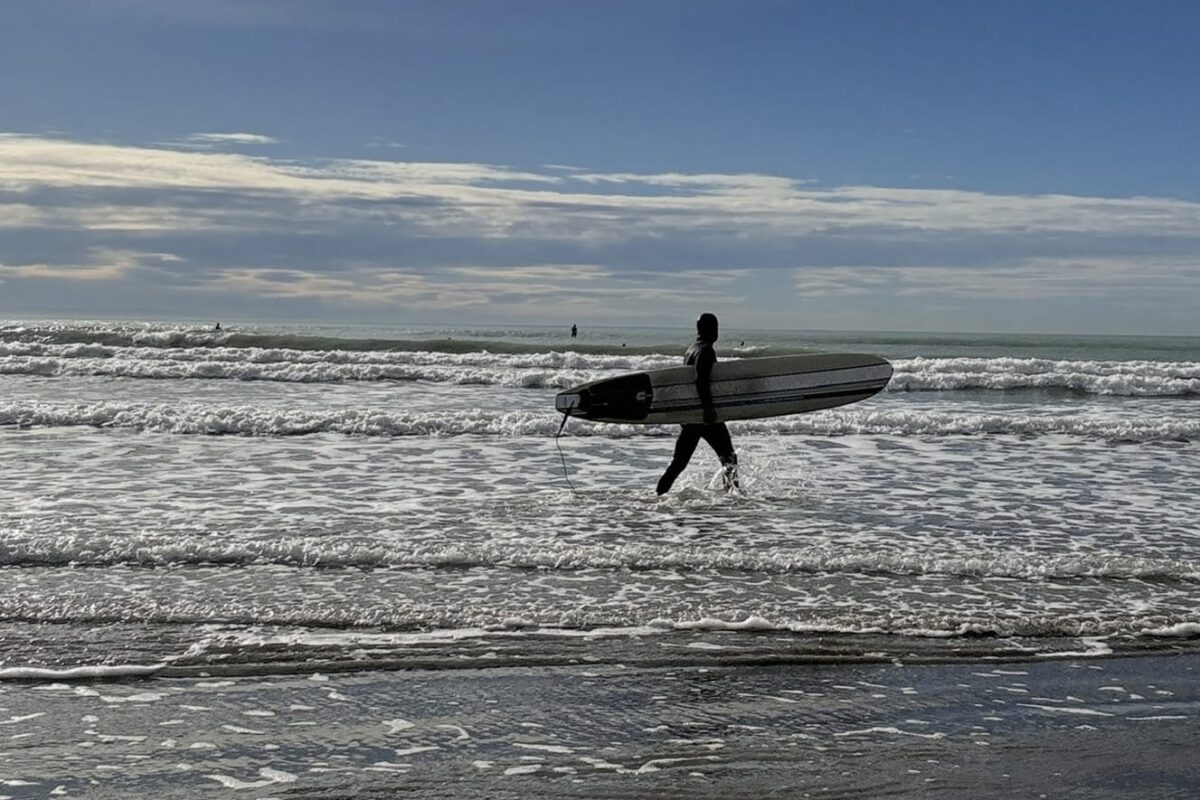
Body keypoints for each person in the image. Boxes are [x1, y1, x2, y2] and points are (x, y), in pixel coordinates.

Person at [656, 312, 739, 495]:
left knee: (678, 464)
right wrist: (709, 410)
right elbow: (700, 380)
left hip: (692, 416)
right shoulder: (706, 351)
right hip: (704, 416)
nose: (717, 331)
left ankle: (658, 496)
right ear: (710, 330)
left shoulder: (691, 349)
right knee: (729, 458)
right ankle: (732, 497)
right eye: (715, 327)